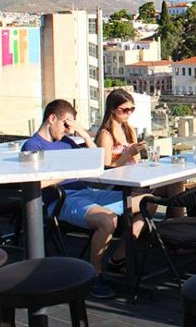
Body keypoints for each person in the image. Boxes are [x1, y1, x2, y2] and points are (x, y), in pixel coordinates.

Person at [22, 99, 148, 299]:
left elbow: (97, 161)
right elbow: (33, 183)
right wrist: (67, 172)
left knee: (146, 201)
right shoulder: (33, 146)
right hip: (62, 199)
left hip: (86, 191)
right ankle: (95, 274)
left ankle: (118, 258)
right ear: (52, 118)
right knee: (108, 220)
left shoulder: (66, 142)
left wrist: (83, 134)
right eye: (66, 123)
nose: (67, 129)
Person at [95, 89, 185, 218]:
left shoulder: (128, 129)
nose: (129, 113)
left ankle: (178, 227)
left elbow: (135, 161)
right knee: (154, 199)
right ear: (112, 109)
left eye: (132, 109)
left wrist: (137, 155)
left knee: (176, 183)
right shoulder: (106, 135)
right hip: (120, 186)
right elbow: (106, 168)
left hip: (136, 180)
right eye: (124, 109)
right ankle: (139, 233)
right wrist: (128, 154)